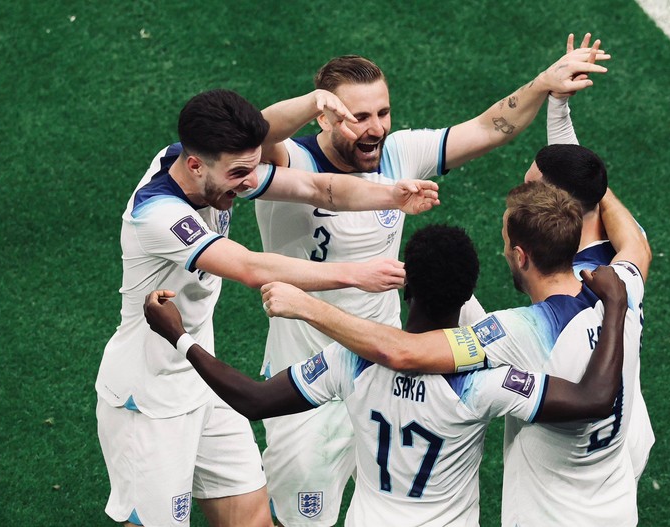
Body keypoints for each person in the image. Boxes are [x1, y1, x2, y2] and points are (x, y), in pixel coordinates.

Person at [254, 39, 610, 526]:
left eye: (383, 112)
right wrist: (309, 101)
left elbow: (488, 128)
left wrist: (543, 83)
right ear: (324, 115)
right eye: (359, 116)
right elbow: (252, 134)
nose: (376, 128)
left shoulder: (398, 154)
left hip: (383, 373)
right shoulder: (289, 166)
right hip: (309, 378)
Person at [94, 88, 440, 527]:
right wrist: (355, 273)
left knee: (253, 518)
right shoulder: (158, 213)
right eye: (239, 173)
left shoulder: (200, 161)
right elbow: (251, 267)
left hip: (202, 381)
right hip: (148, 398)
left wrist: (391, 194)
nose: (250, 182)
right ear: (196, 165)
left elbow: (318, 187)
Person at [144, 223, 629, 526]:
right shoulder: (486, 382)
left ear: (405, 287)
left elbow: (253, 399)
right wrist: (614, 305)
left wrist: (181, 338)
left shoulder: (350, 360)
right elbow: (594, 399)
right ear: (468, 298)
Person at [260, 181, 650, 526]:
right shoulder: (622, 285)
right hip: (615, 503)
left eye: (503, 243)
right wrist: (595, 184)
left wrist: (305, 306)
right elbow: (637, 247)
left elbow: (404, 352)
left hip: (549, 515)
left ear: (520, 256)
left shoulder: (516, 332)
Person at [534, 47, 656, 482]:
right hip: (629, 432)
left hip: (579, 457)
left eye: (533, 188)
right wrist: (558, 104)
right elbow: (636, 241)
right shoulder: (625, 252)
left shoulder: (559, 275)